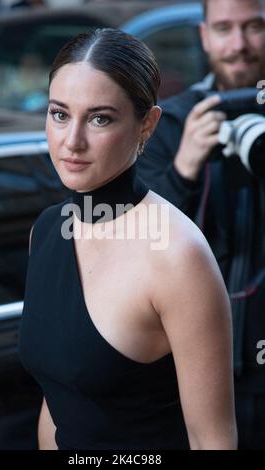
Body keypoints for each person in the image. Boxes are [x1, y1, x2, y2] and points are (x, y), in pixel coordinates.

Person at [18, 28, 237, 450]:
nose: (72, 141)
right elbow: (57, 402)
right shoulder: (45, 230)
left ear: (147, 125)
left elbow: (213, 440)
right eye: (59, 114)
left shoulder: (177, 256)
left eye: (100, 118)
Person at [137, 0, 265, 450]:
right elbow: (138, 246)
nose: (239, 45)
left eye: (254, 27)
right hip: (193, 371)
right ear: (204, 35)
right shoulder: (168, 123)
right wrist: (184, 168)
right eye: (225, 28)